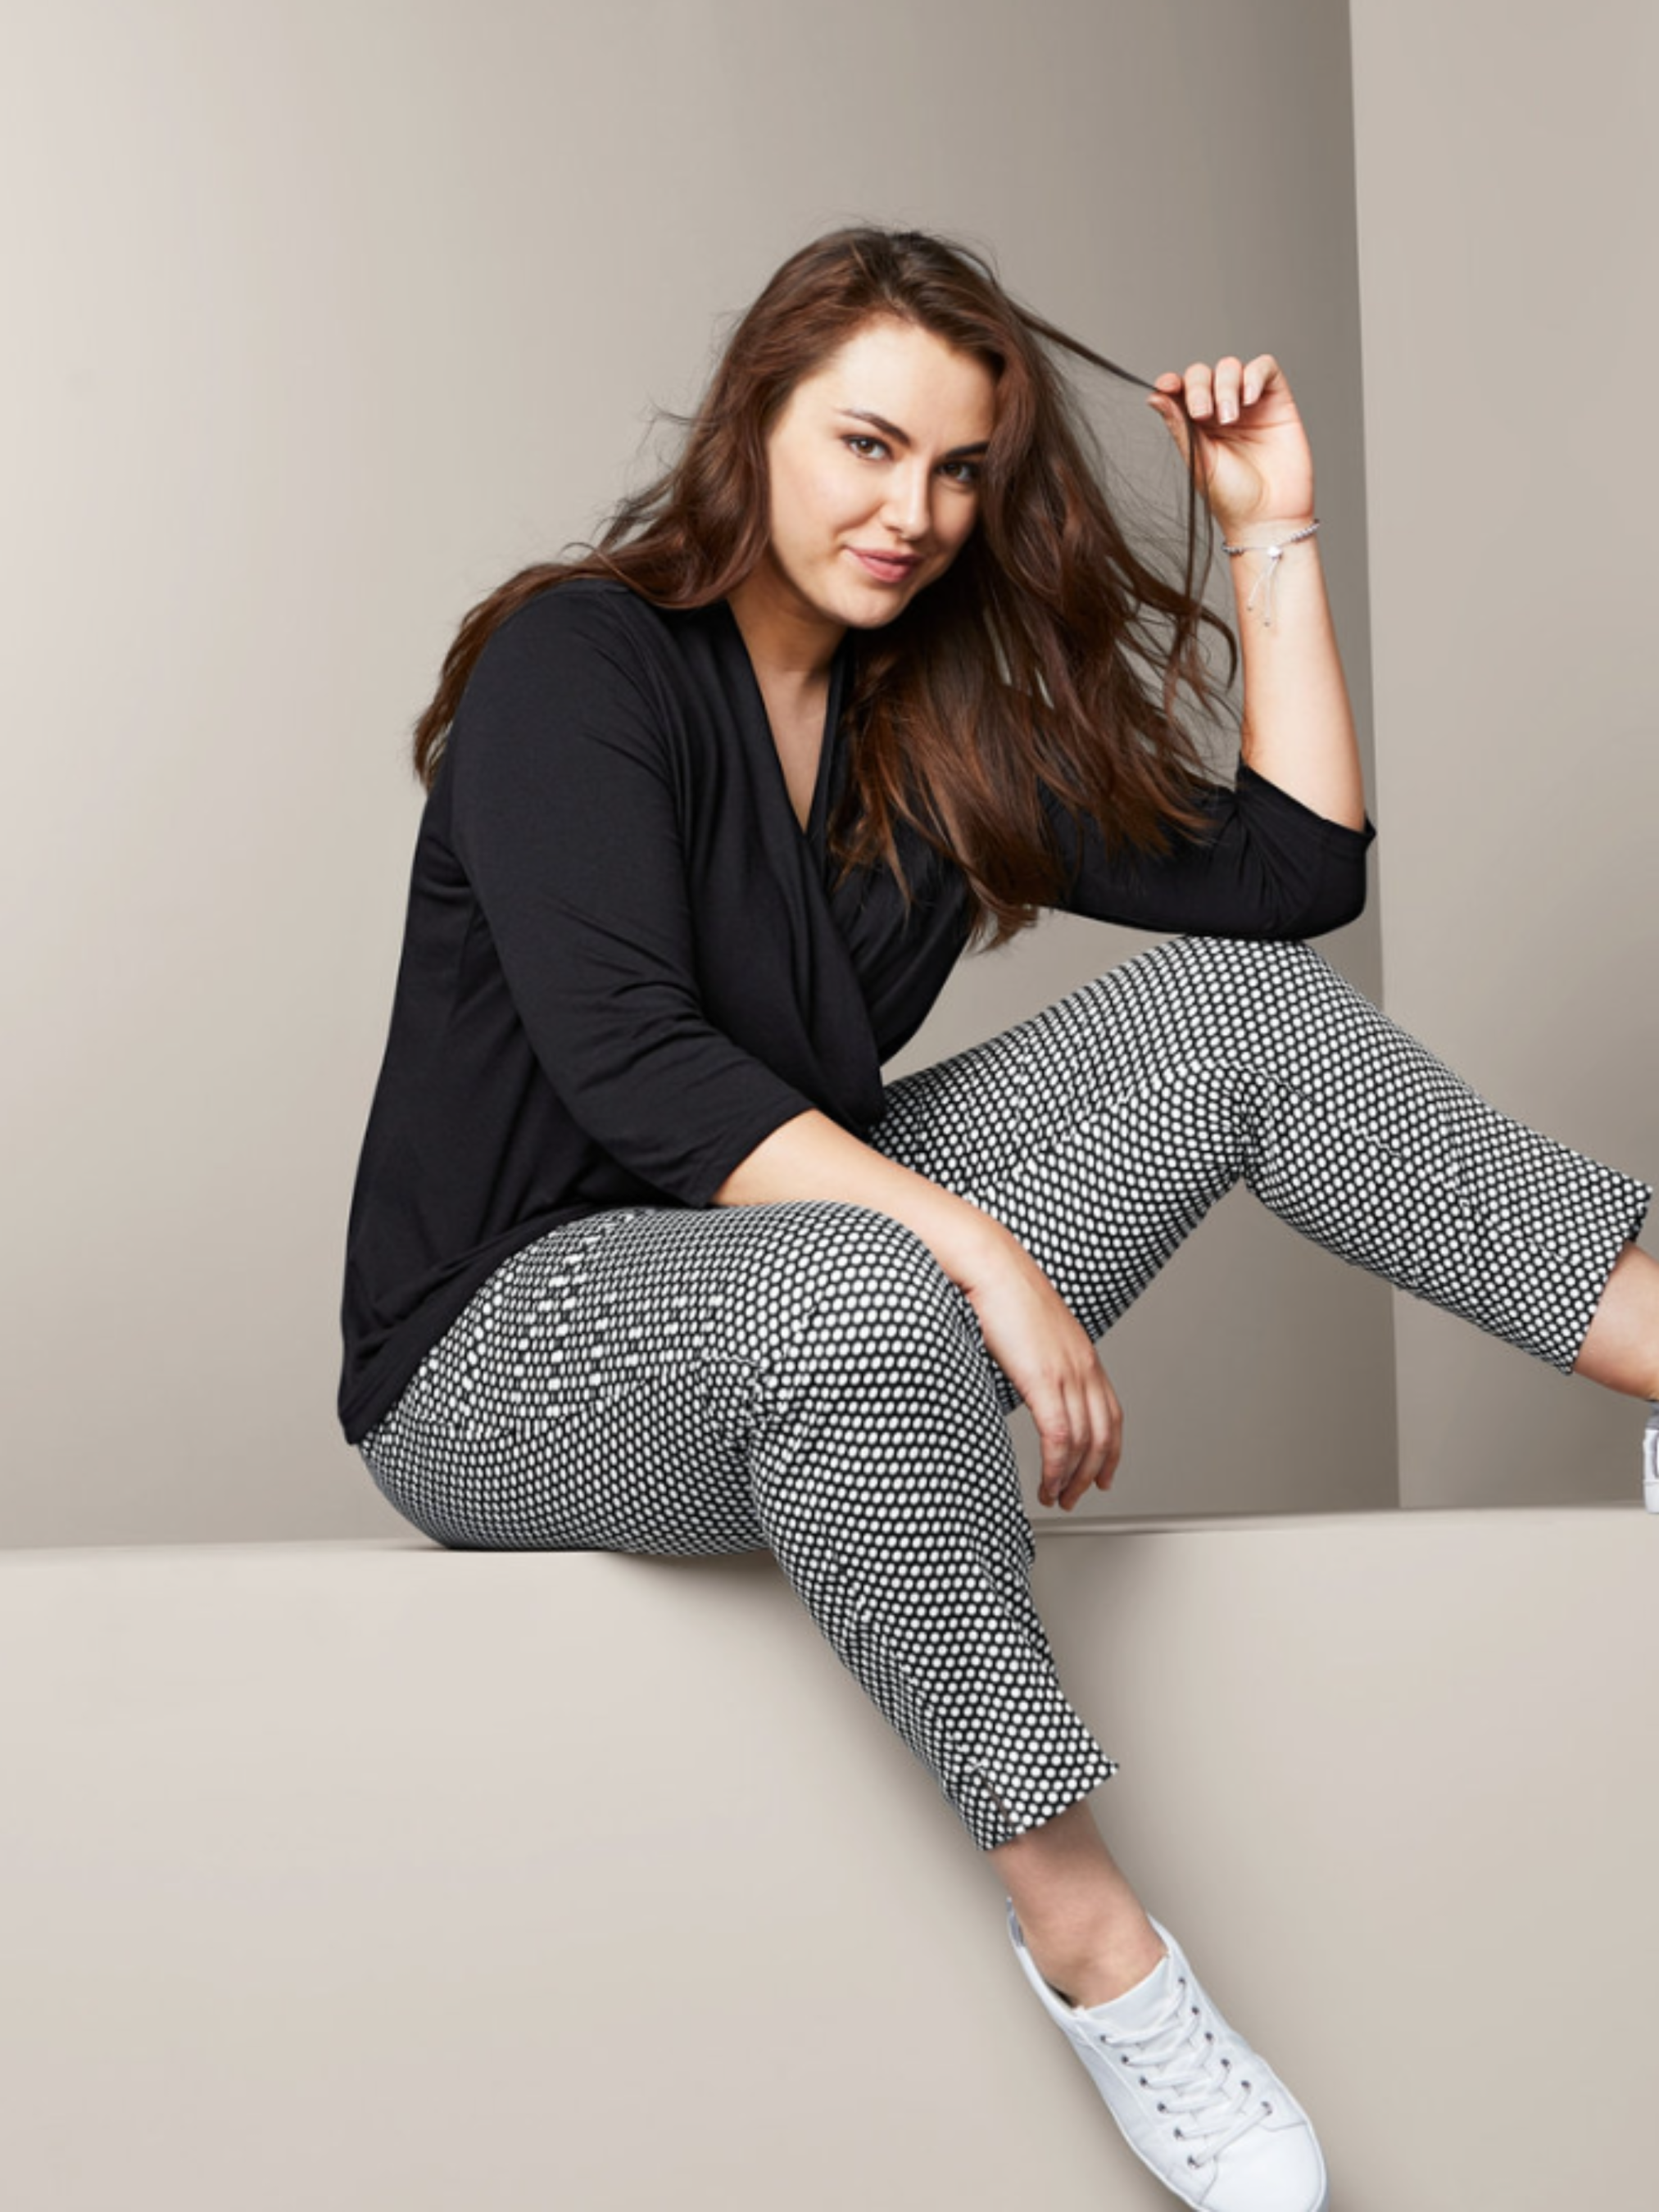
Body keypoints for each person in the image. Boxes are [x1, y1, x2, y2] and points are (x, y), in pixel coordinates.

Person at [336, 224, 1658, 2212]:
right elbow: (634, 1064)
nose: (913, 514)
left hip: (818, 1277)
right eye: (867, 447)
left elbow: (1289, 882)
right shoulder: (578, 664)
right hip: (500, 1351)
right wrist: (970, 1245)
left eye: (957, 471)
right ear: (754, 420)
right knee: (858, 1291)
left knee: (1238, 1018)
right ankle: (1100, 1954)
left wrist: (1273, 531)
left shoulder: (928, 720)